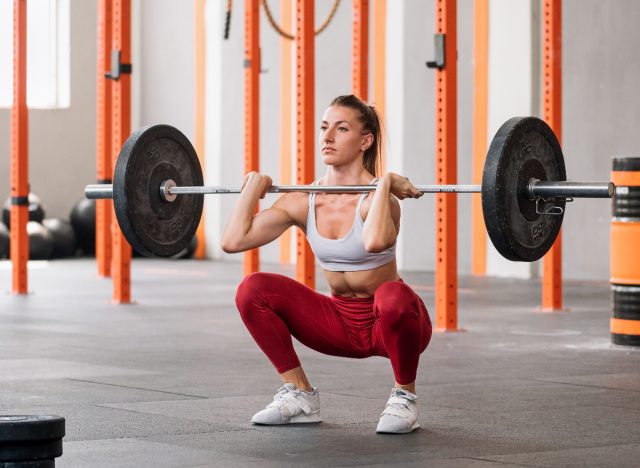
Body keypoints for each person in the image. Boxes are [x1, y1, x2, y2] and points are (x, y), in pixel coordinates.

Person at [221, 94, 432, 434]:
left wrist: (386, 183)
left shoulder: (379, 200)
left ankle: (405, 395)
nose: (327, 137)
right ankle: (300, 395)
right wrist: (252, 188)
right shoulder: (303, 199)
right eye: (323, 128)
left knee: (393, 295)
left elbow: (376, 241)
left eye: (341, 128)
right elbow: (233, 242)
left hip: (392, 325)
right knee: (252, 289)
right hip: (337, 324)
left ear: (366, 140)